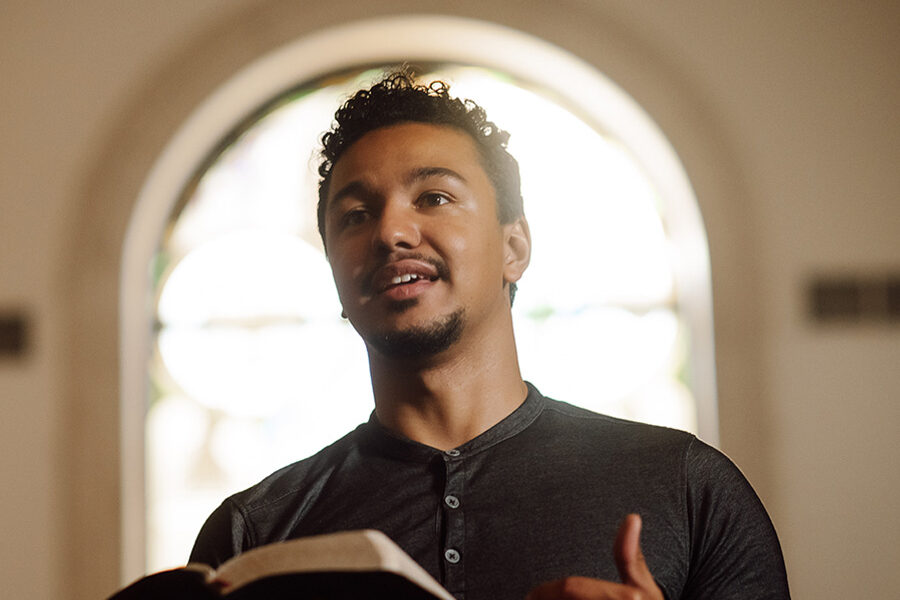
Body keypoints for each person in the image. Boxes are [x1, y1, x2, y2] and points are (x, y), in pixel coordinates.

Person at [190, 71, 790, 599]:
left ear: (514, 247)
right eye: (355, 215)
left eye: (434, 197)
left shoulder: (689, 489)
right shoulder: (254, 532)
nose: (392, 231)